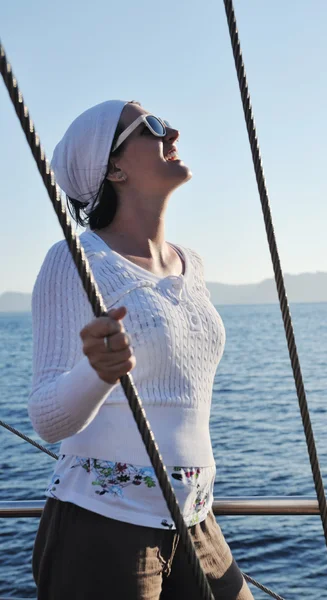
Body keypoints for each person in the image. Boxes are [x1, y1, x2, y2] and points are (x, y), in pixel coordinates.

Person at [29, 99, 254, 600]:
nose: (173, 133)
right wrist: (97, 372)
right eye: (153, 127)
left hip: (196, 519)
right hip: (104, 528)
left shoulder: (190, 264)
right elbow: (47, 415)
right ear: (113, 167)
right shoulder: (75, 260)